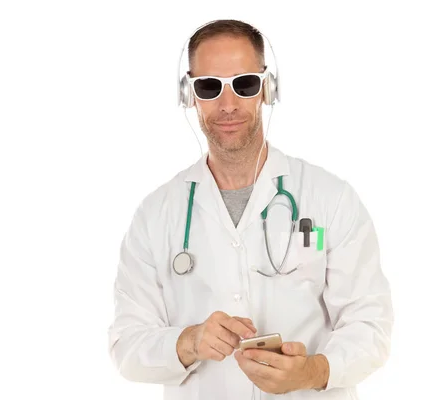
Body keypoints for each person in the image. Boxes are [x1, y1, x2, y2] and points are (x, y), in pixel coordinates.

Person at [107, 19, 394, 400]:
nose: (228, 105)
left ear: (267, 89)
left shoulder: (330, 198)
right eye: (209, 87)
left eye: (244, 84)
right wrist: (188, 342)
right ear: (189, 95)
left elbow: (371, 325)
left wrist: (314, 370)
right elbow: (126, 345)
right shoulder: (155, 215)